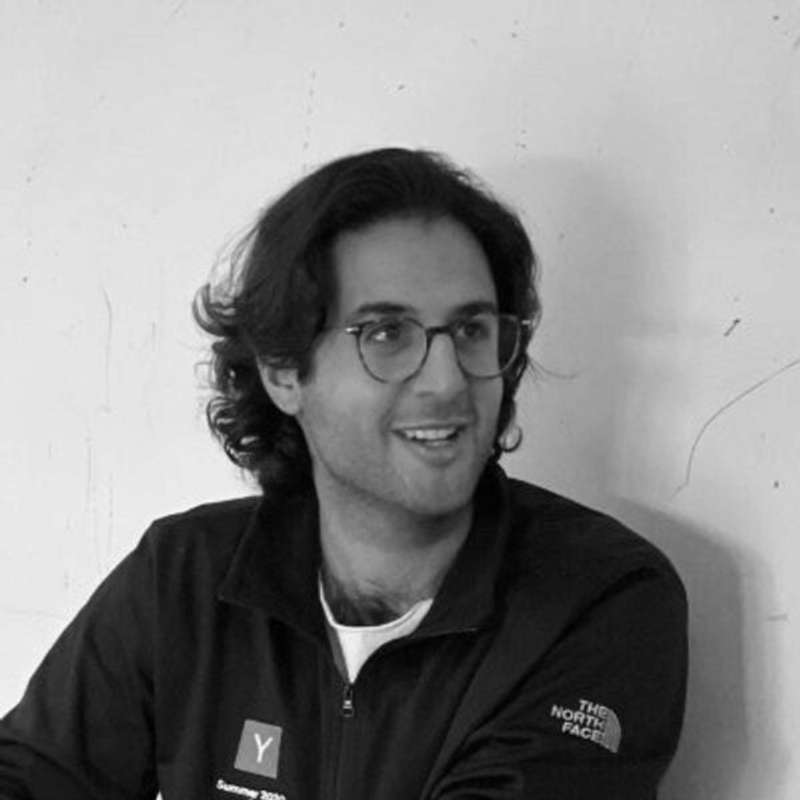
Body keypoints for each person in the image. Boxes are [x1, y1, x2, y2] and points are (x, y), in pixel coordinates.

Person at [0, 148, 687, 799]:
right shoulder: (184, 577)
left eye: (471, 331)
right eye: (387, 334)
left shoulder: (602, 597)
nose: (447, 380)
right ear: (283, 371)